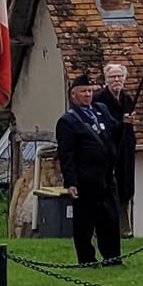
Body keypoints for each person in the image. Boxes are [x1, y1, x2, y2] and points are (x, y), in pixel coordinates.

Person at [56, 72, 124, 266]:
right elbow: (66, 155)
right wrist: (71, 182)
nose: (88, 95)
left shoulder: (101, 109)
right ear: (73, 95)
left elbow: (114, 130)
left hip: (106, 176)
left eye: (90, 91)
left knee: (110, 218)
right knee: (85, 223)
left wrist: (125, 123)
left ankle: (112, 257)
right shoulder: (68, 121)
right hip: (86, 179)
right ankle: (86, 259)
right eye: (83, 92)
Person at [92, 61, 138, 226]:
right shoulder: (98, 100)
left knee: (126, 189)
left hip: (125, 151)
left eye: (119, 76)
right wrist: (121, 123)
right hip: (108, 151)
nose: (116, 80)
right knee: (108, 188)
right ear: (106, 79)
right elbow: (104, 126)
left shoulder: (127, 99)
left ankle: (125, 227)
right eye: (112, 77)